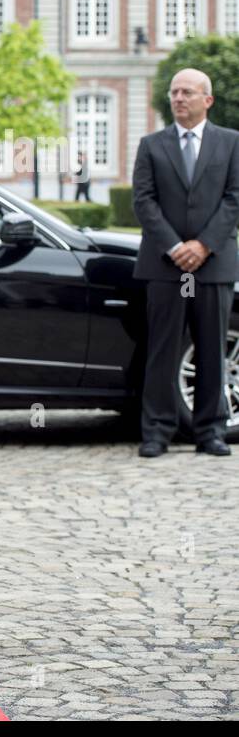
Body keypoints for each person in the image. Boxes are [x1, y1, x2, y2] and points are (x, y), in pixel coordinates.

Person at [132, 68, 238, 458]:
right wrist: (176, 246)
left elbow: (234, 198)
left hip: (214, 265)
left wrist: (204, 245)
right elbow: (143, 201)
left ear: (207, 100)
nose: (178, 98)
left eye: (187, 92)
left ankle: (210, 431)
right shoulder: (151, 145)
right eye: (174, 92)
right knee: (161, 349)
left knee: (212, 349)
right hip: (164, 265)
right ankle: (157, 431)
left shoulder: (231, 144)